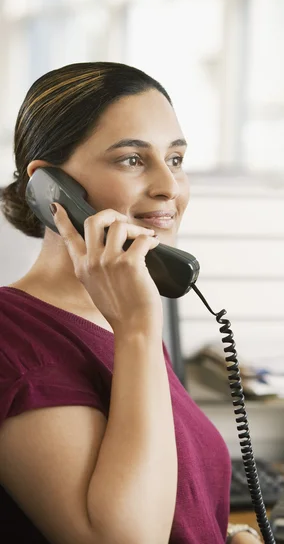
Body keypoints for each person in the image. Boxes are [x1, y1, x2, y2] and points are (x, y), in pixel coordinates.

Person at [0, 62, 261, 543]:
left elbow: (169, 501)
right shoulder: (14, 341)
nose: (169, 186)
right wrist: (138, 329)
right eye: (132, 160)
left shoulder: (113, 315)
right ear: (49, 189)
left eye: (176, 159)